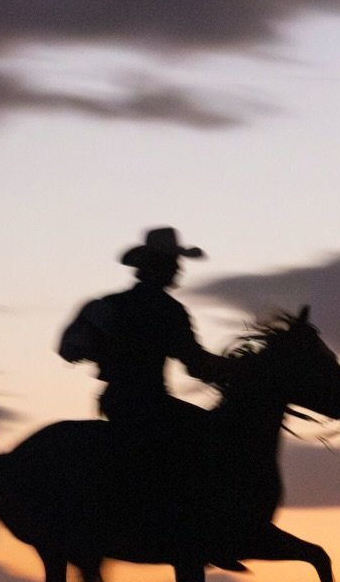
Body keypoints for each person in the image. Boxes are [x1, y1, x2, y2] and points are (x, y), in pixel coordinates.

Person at [58, 227, 237, 556]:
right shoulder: (171, 311)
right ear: (158, 266)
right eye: (173, 264)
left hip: (121, 400)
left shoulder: (108, 306)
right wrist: (233, 369)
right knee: (208, 441)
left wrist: (104, 349)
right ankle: (196, 528)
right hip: (148, 401)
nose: (178, 271)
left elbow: (69, 348)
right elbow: (195, 364)